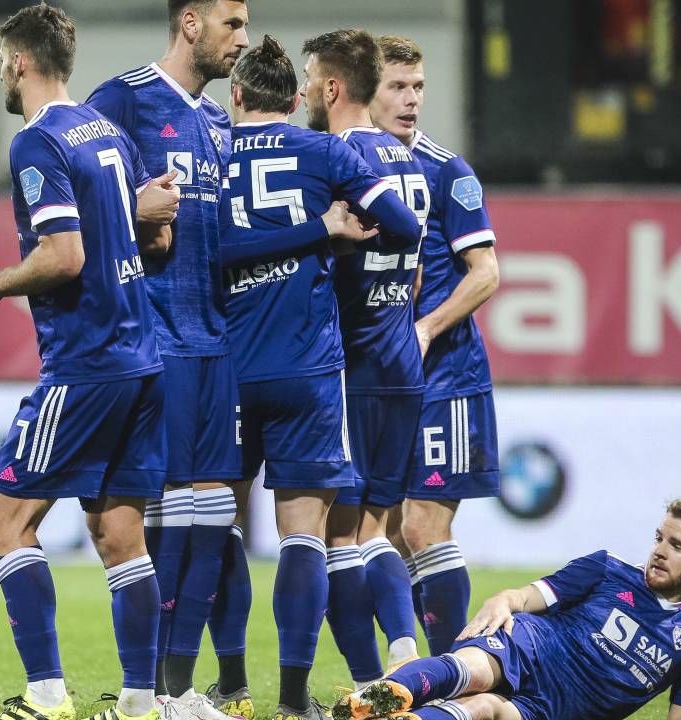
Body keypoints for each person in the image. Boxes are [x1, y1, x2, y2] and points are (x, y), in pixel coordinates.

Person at [0, 5, 174, 720]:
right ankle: (141, 702)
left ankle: (48, 695)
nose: (3, 73)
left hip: (87, 363)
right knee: (121, 536)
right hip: (142, 356)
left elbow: (63, 256)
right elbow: (160, 230)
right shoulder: (105, 128)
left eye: (4, 62)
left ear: (21, 61)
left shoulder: (38, 141)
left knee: (3, 525)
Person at [219, 35, 421, 720]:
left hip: (230, 368)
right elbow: (402, 227)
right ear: (295, 96)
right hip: (311, 368)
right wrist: (329, 232)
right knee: (308, 536)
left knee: (221, 527)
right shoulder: (329, 154)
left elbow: (209, 253)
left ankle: (229, 687)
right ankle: (292, 699)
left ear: (236, 94)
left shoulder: (210, 151)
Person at [85, 4, 248, 712]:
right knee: (159, 519)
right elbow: (70, 200)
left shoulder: (216, 121)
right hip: (157, 340)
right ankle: (147, 685)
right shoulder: (123, 99)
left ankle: (178, 688)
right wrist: (132, 209)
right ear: (190, 23)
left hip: (218, 343)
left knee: (214, 517)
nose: (242, 38)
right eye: (231, 23)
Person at [337, 500, 681, 720]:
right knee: (475, 670)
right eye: (659, 538)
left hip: (560, 709)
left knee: (484, 710)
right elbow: (526, 597)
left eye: (677, 546)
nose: (659, 551)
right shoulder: (608, 568)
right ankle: (362, 704)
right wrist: (503, 600)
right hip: (534, 647)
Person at [299, 28, 429, 686]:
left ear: (330, 87)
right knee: (378, 529)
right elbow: (415, 272)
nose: (301, 91)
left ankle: (367, 685)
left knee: (336, 537)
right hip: (403, 359)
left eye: (307, 79)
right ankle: (405, 653)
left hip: (352, 365)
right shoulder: (407, 159)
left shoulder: (337, 158)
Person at [369, 35, 500, 655]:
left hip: (446, 376)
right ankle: (415, 671)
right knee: (385, 534)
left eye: (418, 87)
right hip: (380, 380)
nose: (411, 99)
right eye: (397, 86)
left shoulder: (447, 170)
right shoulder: (348, 163)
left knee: (423, 527)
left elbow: (486, 272)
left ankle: (454, 674)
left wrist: (425, 329)